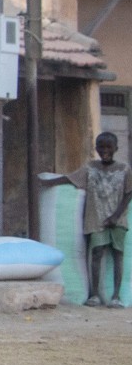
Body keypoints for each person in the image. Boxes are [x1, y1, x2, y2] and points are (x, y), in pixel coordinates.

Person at [42, 131, 132, 308]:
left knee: (117, 255)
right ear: (96, 148)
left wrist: (116, 216)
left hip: (118, 220)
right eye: (101, 147)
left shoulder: (124, 169)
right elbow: (70, 178)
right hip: (96, 220)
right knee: (96, 253)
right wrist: (48, 183)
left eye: (109, 147)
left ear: (116, 148)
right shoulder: (90, 168)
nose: (105, 151)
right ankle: (95, 295)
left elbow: (128, 193)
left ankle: (116, 296)